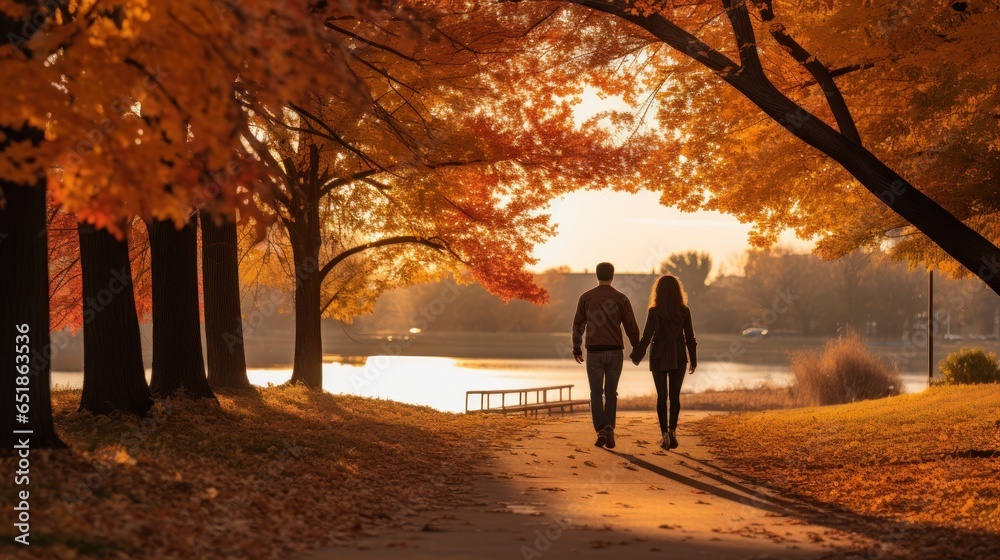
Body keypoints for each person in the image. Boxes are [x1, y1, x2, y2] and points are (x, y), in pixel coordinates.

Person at [572, 262, 640, 449]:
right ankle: (608, 428)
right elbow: (631, 326)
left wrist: (576, 347)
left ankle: (603, 427)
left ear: (596, 275)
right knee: (611, 393)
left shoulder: (586, 298)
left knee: (596, 393)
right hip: (616, 351)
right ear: (613, 275)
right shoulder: (621, 299)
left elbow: (578, 325)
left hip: (594, 351)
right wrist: (636, 347)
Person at [629, 275, 697, 450]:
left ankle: (664, 434)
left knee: (662, 397)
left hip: (658, 355)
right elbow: (690, 337)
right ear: (677, 291)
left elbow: (647, 336)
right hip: (679, 355)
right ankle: (673, 431)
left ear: (658, 292)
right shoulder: (684, 311)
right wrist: (693, 360)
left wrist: (637, 355)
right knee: (674, 397)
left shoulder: (654, 311)